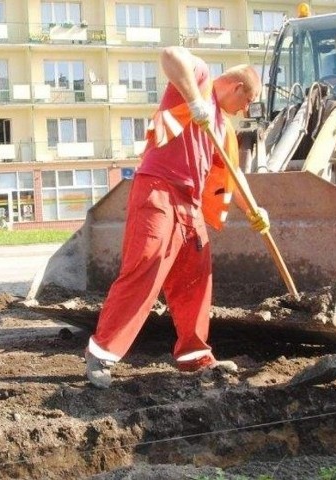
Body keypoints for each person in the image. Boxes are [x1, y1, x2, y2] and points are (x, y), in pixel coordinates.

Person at [85, 46, 266, 388]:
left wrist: (256, 209)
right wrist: (196, 100)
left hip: (190, 202)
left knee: (196, 276)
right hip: (158, 188)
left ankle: (194, 355)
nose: (245, 111)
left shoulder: (223, 129)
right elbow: (171, 55)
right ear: (238, 87)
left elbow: (232, 174)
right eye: (247, 102)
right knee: (146, 265)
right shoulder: (197, 80)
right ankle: (102, 352)